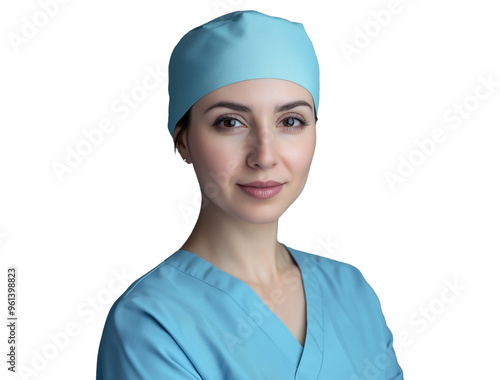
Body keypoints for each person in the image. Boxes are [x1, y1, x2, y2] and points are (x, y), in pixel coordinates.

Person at [96, 10, 404, 380]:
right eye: (230, 122)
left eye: (290, 121)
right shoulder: (151, 323)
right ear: (183, 140)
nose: (265, 155)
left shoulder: (352, 293)